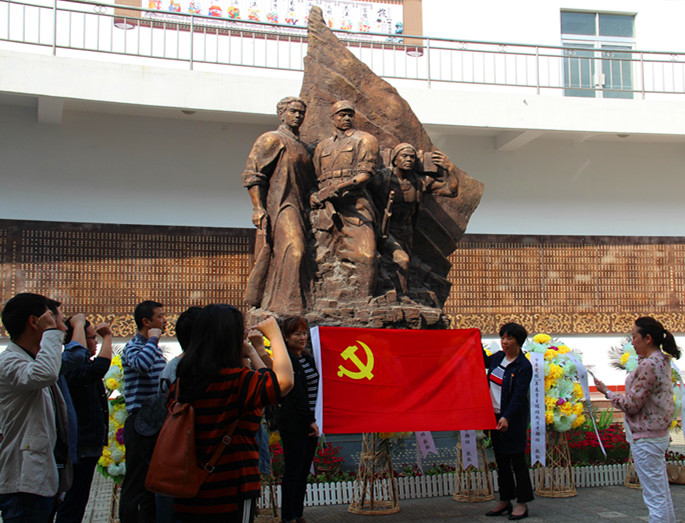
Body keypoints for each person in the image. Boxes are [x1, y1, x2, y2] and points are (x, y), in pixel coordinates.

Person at [172, 306, 294, 522]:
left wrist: (248, 354)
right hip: (231, 491)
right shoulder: (236, 382)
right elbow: (283, 383)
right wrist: (275, 335)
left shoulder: (182, 382)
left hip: (189, 489)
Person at [594, 317, 679, 523]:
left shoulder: (649, 364)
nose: (632, 343)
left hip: (646, 437)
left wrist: (607, 392)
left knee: (655, 496)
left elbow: (632, 405)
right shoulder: (662, 360)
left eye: (634, 337)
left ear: (647, 338)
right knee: (661, 493)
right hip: (657, 434)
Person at [242, 96, 317, 315]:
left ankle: (298, 303)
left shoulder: (304, 147)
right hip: (282, 205)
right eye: (293, 111)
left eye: (301, 112)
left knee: (304, 255)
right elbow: (253, 175)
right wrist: (257, 207)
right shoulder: (272, 139)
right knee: (295, 250)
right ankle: (285, 306)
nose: (298, 116)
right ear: (281, 114)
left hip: (304, 208)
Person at [0, 293, 69, 522]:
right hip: (23, 482)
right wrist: (50, 333)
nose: (62, 328)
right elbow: (45, 374)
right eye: (53, 319)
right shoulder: (9, 362)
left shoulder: (31, 360)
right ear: (34, 321)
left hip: (41, 478)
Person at [311, 100, 380, 300]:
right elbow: (314, 178)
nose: (346, 118)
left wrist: (339, 188)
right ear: (332, 118)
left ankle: (365, 300)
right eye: (341, 115)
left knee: (367, 255)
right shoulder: (322, 146)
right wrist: (315, 196)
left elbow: (365, 175)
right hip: (326, 207)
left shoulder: (365, 139)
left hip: (355, 204)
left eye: (350, 114)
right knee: (321, 257)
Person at [369, 143, 459, 297]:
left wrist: (450, 169)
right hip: (385, 229)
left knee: (403, 266)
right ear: (395, 159)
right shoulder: (382, 179)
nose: (408, 160)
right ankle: (401, 297)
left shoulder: (420, 182)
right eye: (404, 156)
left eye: (412, 157)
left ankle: (396, 295)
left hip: (406, 232)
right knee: (402, 260)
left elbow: (451, 191)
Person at [55, 316, 112, 523]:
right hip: (81, 443)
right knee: (73, 502)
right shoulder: (71, 367)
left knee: (77, 501)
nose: (95, 342)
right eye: (91, 338)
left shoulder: (80, 365)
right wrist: (108, 337)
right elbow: (99, 368)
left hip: (88, 442)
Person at [119, 300, 168, 523]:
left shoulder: (152, 349)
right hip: (140, 423)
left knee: (152, 484)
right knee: (135, 483)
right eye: (160, 317)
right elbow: (142, 364)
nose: (164, 321)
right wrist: (153, 339)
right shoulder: (133, 347)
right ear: (146, 322)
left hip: (156, 421)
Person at [483, 322, 533, 520]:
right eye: (502, 337)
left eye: (509, 338)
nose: (504, 342)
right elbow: (481, 360)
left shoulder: (523, 366)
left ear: (518, 341)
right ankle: (505, 500)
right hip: (495, 417)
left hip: (512, 419)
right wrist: (473, 340)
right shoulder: (498, 358)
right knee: (501, 461)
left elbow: (519, 396)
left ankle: (522, 503)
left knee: (517, 461)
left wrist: (506, 417)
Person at [278, 316, 320, 523]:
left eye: (304, 333)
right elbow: (296, 394)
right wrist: (309, 419)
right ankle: (288, 516)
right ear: (286, 337)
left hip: (312, 423)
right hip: (295, 423)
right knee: (293, 471)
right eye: (297, 334)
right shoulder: (286, 361)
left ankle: (298, 513)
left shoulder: (308, 358)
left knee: (303, 471)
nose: (302, 338)